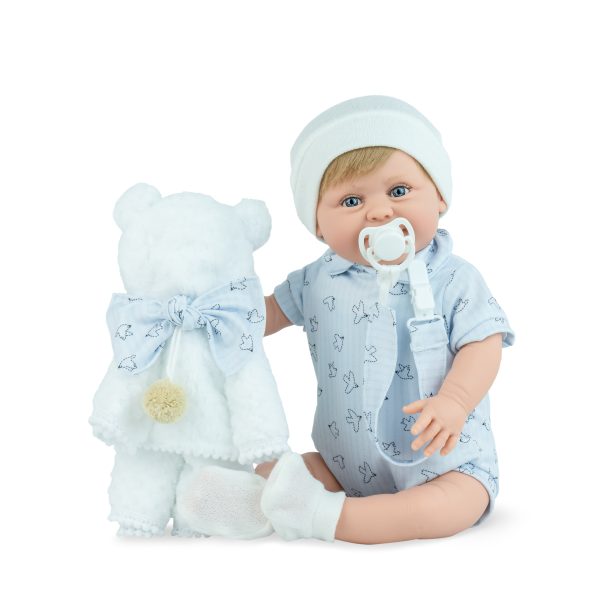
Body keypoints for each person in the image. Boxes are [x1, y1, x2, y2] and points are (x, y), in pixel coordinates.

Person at [179, 96, 515, 544]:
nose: (379, 212)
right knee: (287, 470)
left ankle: (330, 518)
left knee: (442, 507)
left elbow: (483, 342)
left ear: (439, 197)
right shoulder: (318, 279)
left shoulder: (453, 277)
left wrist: (454, 400)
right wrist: (211, 315)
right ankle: (241, 501)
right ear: (318, 225)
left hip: (446, 465)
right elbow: (268, 314)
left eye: (399, 191)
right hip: (342, 464)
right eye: (351, 200)